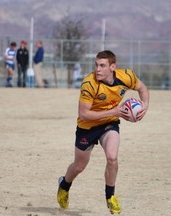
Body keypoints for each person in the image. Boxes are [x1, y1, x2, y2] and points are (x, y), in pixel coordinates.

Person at [57, 50, 150, 214]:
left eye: (102, 65)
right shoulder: (89, 84)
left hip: (109, 124)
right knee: (79, 166)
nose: (97, 69)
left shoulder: (126, 76)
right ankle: (64, 185)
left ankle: (110, 197)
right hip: (87, 127)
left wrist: (145, 106)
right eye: (96, 65)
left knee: (112, 158)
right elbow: (84, 114)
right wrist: (114, 111)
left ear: (112, 67)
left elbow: (142, 88)